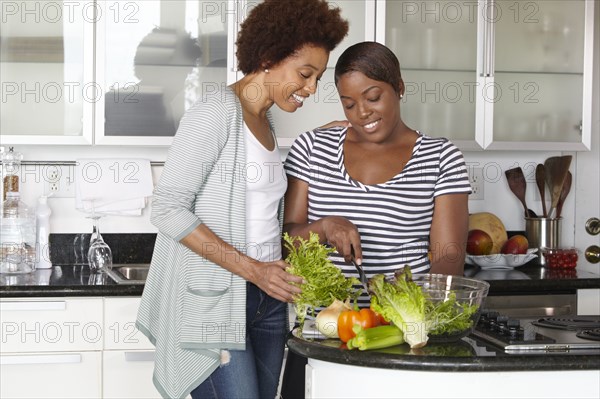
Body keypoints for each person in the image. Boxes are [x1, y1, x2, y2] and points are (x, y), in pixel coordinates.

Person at [135, 1, 349, 399]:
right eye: (305, 74)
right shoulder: (214, 114)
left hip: (269, 299)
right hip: (217, 299)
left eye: (318, 78)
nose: (311, 89)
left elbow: (257, 204)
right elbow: (166, 208)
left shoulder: (265, 122)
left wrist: (320, 135)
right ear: (268, 58)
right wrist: (253, 270)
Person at [280, 41, 471, 397]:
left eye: (373, 97)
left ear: (399, 87)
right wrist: (323, 228)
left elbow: (448, 260)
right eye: (348, 104)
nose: (361, 113)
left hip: (400, 342)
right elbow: (287, 240)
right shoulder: (312, 148)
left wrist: (405, 293)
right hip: (323, 338)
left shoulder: (441, 157)